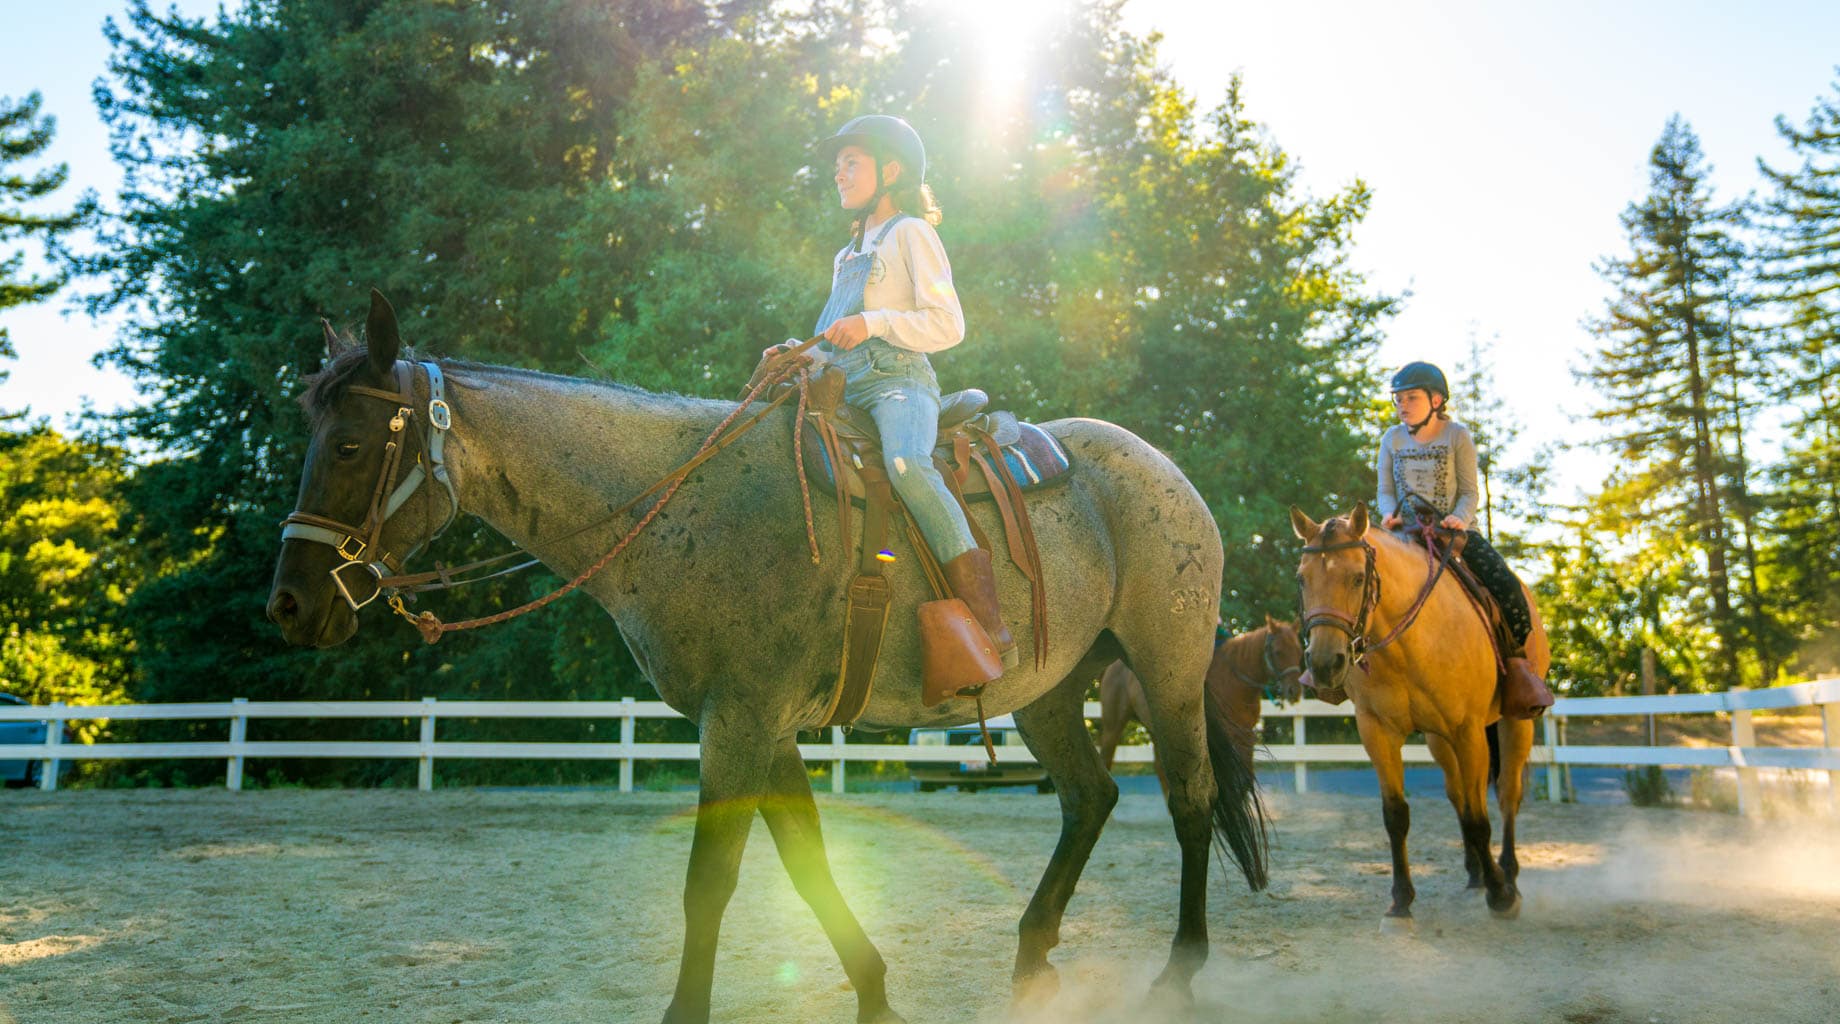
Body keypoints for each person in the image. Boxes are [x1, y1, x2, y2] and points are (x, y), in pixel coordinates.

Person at [765, 114, 1015, 668]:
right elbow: (835, 341)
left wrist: (875, 322)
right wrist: (797, 354)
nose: (840, 173)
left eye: (851, 162)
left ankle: (988, 622)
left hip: (899, 383)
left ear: (891, 170)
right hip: (846, 387)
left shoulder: (912, 233)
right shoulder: (845, 255)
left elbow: (948, 324)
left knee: (906, 462)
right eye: (837, 166)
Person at [1376, 361, 1553, 719]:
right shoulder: (1391, 439)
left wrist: (1461, 518)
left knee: (1505, 585)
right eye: (1398, 399)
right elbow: (1384, 491)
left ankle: (1518, 669)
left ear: (1436, 399)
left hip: (1453, 531)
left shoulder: (1457, 436)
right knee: (1355, 578)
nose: (1403, 405)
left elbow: (1470, 492)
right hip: (1405, 534)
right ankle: (1338, 671)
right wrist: (1389, 512)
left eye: (1411, 397)